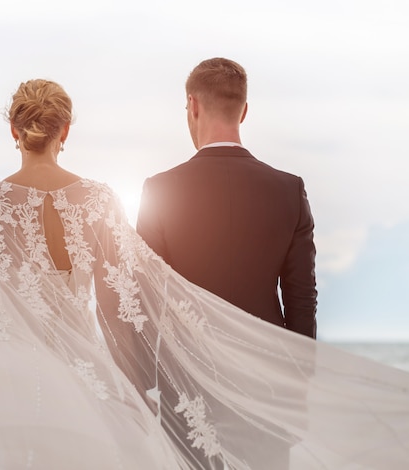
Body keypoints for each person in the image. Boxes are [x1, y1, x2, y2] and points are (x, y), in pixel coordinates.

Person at [0, 79, 409, 470]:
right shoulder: (98, 200)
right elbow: (122, 304)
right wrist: (132, 390)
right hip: (81, 385)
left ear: (14, 131)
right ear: (66, 132)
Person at [136, 57, 318, 468]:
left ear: (193, 106)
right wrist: (298, 386)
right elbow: (302, 300)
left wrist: (146, 384)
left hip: (188, 381)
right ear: (244, 111)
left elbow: (143, 299)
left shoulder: (160, 190)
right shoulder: (289, 189)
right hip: (268, 386)